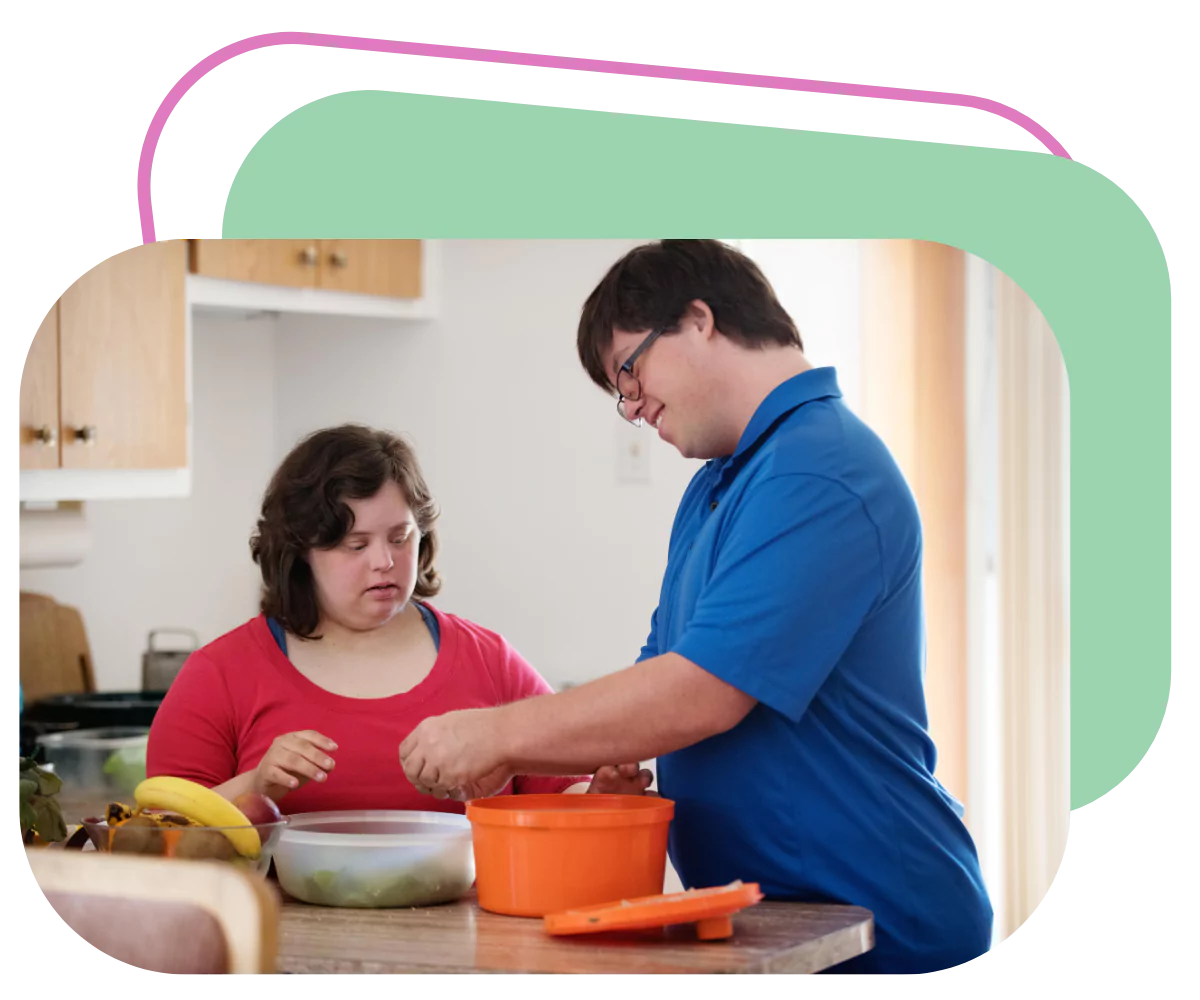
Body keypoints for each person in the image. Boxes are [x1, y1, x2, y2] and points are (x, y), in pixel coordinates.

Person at [398, 239, 994, 976]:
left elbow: (701, 694)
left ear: (698, 320)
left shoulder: (821, 468)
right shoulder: (723, 483)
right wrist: (574, 762)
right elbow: (664, 671)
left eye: (628, 371)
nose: (631, 405)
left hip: (877, 924)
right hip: (775, 921)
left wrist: (499, 736)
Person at [146, 424, 652, 813]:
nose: (384, 562)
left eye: (400, 537)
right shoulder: (220, 674)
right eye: (355, 545)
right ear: (300, 552)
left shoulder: (489, 660)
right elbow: (155, 836)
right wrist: (255, 787)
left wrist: (600, 795)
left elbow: (560, 799)